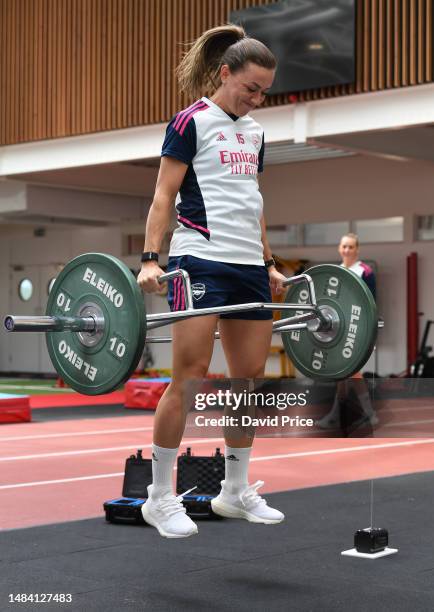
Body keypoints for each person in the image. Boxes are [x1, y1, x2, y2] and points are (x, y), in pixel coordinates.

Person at [137, 24, 287, 538]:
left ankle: (234, 491)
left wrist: (268, 263)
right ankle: (158, 498)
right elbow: (163, 195)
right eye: (250, 87)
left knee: (247, 382)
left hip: (247, 267)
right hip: (198, 260)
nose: (256, 98)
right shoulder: (190, 122)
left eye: (264, 90)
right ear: (225, 73)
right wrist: (151, 258)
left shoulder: (256, 133)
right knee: (189, 375)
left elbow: (254, 202)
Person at [316, 233, 378, 431]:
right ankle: (341, 414)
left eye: (351, 247)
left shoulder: (365, 271)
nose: (347, 250)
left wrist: (369, 331)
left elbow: (371, 303)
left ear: (357, 249)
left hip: (358, 329)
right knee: (342, 374)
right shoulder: (336, 271)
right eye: (344, 246)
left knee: (352, 372)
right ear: (339, 248)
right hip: (338, 330)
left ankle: (367, 413)